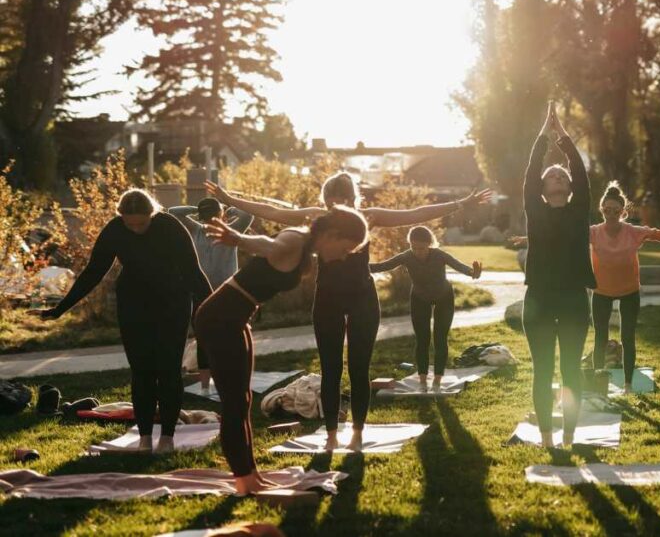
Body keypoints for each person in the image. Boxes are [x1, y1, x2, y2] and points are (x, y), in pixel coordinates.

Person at [205, 176, 492, 451]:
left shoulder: (368, 217)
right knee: (330, 370)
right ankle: (331, 435)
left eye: (341, 201)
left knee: (358, 369)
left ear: (352, 199)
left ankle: (357, 433)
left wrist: (459, 204)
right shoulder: (317, 219)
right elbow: (273, 212)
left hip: (363, 300)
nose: (335, 207)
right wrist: (230, 199)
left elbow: (414, 213)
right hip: (328, 299)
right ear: (325, 201)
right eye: (330, 202)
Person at [195, 206, 368, 495]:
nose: (344, 256)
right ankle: (243, 480)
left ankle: (251, 474)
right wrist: (238, 239)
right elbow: (269, 245)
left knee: (244, 400)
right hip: (219, 319)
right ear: (333, 234)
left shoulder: (306, 247)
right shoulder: (296, 242)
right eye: (347, 248)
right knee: (235, 403)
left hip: (235, 318)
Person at [36, 189, 212, 453]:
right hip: (133, 305)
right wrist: (59, 309)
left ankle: (167, 437)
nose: (136, 228)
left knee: (168, 369)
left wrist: (214, 308)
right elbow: (93, 272)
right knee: (141, 371)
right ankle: (143, 438)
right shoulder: (115, 230)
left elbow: (193, 271)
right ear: (121, 218)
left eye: (142, 223)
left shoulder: (170, 227)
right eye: (130, 224)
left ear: (152, 214)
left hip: (172, 304)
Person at [523, 102, 596, 449]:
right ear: (541, 187)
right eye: (552, 175)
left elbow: (580, 174)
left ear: (568, 189)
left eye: (562, 177)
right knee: (541, 371)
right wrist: (542, 135)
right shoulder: (534, 210)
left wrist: (564, 139)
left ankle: (568, 436)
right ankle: (547, 438)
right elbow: (528, 174)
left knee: (570, 369)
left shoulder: (579, 211)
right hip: (537, 298)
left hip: (572, 299)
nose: (558, 176)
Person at [589, 182, 660, 393]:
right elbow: (565, 239)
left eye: (615, 211)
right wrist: (531, 239)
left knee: (628, 336)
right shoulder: (593, 232)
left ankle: (628, 385)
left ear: (623, 212)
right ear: (601, 209)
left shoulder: (632, 231)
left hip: (629, 290)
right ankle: (598, 384)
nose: (610, 214)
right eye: (606, 210)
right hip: (601, 290)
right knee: (600, 337)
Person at [370, 226, 482, 390]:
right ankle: (422, 378)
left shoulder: (439, 255)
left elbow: (459, 266)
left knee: (440, 338)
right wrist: (356, 265)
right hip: (419, 298)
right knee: (422, 339)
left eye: (421, 248)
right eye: (413, 247)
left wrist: (473, 272)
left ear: (429, 244)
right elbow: (383, 266)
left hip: (444, 297)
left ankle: (437, 378)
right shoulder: (407, 256)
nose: (417, 252)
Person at [169, 197, 254, 393]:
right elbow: (172, 212)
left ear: (219, 215)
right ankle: (206, 387)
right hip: (201, 292)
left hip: (228, 292)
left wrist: (227, 210)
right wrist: (198, 208)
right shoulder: (196, 230)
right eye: (206, 217)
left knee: (232, 335)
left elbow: (248, 215)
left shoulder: (231, 233)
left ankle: (233, 379)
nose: (209, 221)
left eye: (212, 216)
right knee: (203, 337)